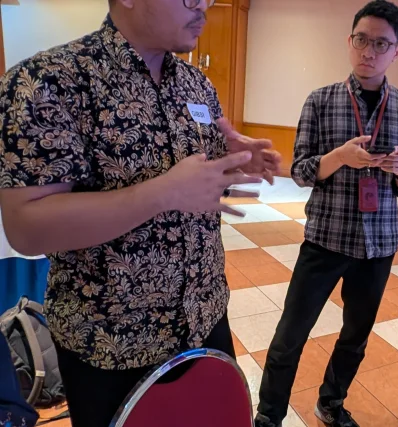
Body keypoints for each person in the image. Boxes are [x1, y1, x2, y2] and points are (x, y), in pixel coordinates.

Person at [0, 0, 281, 426]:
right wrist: (162, 193)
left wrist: (233, 161)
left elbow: (194, 177)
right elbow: (26, 228)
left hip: (205, 320)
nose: (203, 5)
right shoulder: (47, 81)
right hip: (111, 343)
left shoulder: (196, 84)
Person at [254, 1, 398, 426]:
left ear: (397, 51)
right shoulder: (321, 100)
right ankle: (269, 415)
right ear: (349, 41)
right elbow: (300, 171)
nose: (368, 51)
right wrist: (339, 158)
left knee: (355, 336)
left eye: (381, 44)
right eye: (361, 39)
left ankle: (330, 403)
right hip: (326, 239)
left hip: (379, 245)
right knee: (290, 334)